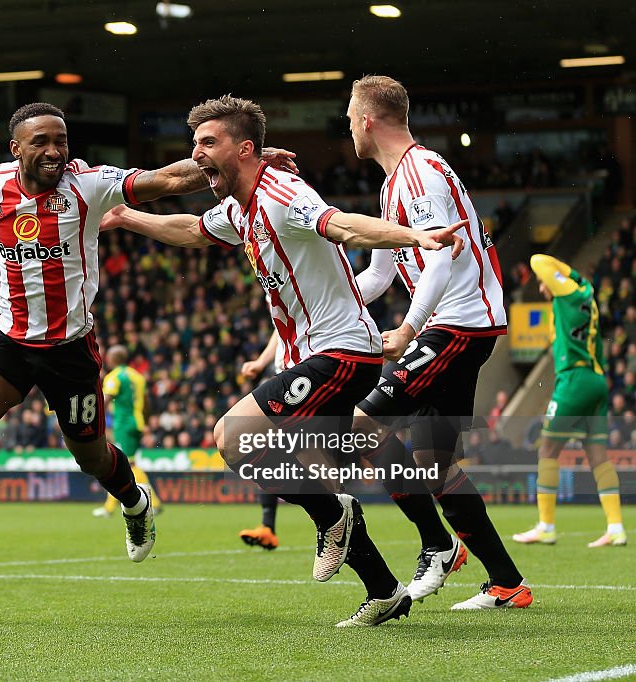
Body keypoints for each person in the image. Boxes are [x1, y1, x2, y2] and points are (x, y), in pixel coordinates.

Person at [0, 102, 268, 612]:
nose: (55, 150)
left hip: (70, 349)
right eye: (41, 141)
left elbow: (168, 180)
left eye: (61, 140)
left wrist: (238, 163)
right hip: (8, 339)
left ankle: (134, 503)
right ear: (15, 148)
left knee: (91, 456)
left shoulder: (90, 184)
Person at [101, 94, 465, 626]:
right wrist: (128, 217)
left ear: (244, 148)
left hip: (341, 350)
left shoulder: (282, 192)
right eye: (194, 143)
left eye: (207, 143)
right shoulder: (237, 207)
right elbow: (191, 232)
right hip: (313, 353)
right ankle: (385, 588)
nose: (196, 154)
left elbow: (342, 226)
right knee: (324, 465)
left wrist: (414, 235)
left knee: (237, 438)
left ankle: (368, 525)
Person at [346, 75, 530, 610]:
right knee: (435, 461)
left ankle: (438, 545)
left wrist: (407, 328)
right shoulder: (391, 185)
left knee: (360, 424)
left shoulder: (422, 172)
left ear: (366, 121)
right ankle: (507, 584)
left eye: (348, 118)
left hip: (458, 323)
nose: (347, 128)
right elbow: (378, 276)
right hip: (453, 324)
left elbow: (443, 257)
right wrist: (326, 315)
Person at [513, 254, 626, 547]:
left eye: (542, 283)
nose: (541, 288)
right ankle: (616, 528)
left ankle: (546, 526)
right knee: (597, 453)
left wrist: (566, 273)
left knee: (548, 448)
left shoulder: (566, 295)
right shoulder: (588, 296)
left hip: (574, 380)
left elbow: (538, 259)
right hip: (596, 379)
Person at [92, 345, 162, 517]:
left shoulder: (114, 377)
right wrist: (144, 422)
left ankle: (153, 503)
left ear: (113, 359)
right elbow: (146, 402)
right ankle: (110, 506)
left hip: (123, 424)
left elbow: (105, 400)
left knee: (127, 465)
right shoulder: (138, 376)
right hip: (136, 423)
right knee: (125, 463)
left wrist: (94, 421)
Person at [237, 330, 282, 550]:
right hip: (286, 375)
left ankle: (340, 521)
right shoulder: (282, 303)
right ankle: (267, 528)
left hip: (308, 374)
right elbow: (280, 326)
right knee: (270, 456)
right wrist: (262, 362)